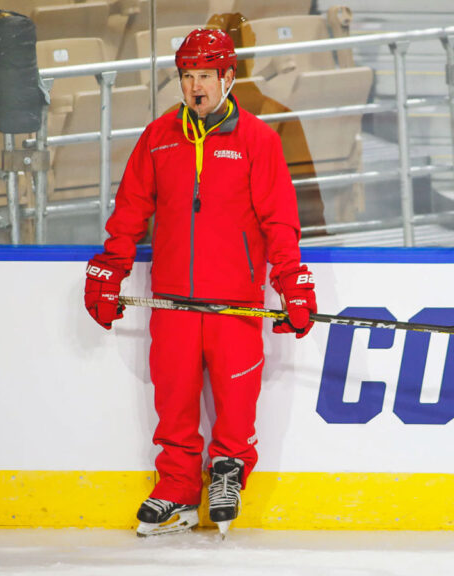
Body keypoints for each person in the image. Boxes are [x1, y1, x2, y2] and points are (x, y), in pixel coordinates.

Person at [83, 28, 317, 537]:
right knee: (174, 402)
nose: (195, 88)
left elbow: (280, 221)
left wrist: (292, 283)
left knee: (235, 403)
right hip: (172, 301)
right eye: (187, 77)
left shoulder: (258, 140)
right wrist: (110, 267)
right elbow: (129, 214)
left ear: (228, 77)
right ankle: (177, 491)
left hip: (234, 303)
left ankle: (228, 474)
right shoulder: (158, 137)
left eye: (205, 76)